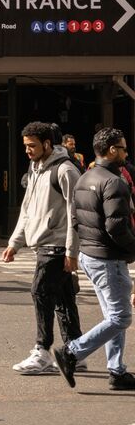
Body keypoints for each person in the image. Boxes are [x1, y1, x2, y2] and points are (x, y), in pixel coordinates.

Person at [53, 128, 135, 391]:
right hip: (108, 259)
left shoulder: (84, 177)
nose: (126, 153)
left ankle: (117, 371)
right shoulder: (115, 182)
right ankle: (71, 352)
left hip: (90, 255)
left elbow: (75, 218)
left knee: (112, 315)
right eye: (123, 148)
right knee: (121, 317)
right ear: (112, 150)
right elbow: (117, 227)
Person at [4, 122, 85, 376]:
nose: (27, 150)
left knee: (40, 292)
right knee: (63, 299)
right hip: (44, 243)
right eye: (26, 146)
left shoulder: (65, 170)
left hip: (56, 245)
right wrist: (15, 242)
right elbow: (27, 208)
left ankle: (43, 350)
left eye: (32, 146)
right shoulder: (35, 167)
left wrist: (72, 251)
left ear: (47, 144)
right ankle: (75, 352)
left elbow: (75, 213)